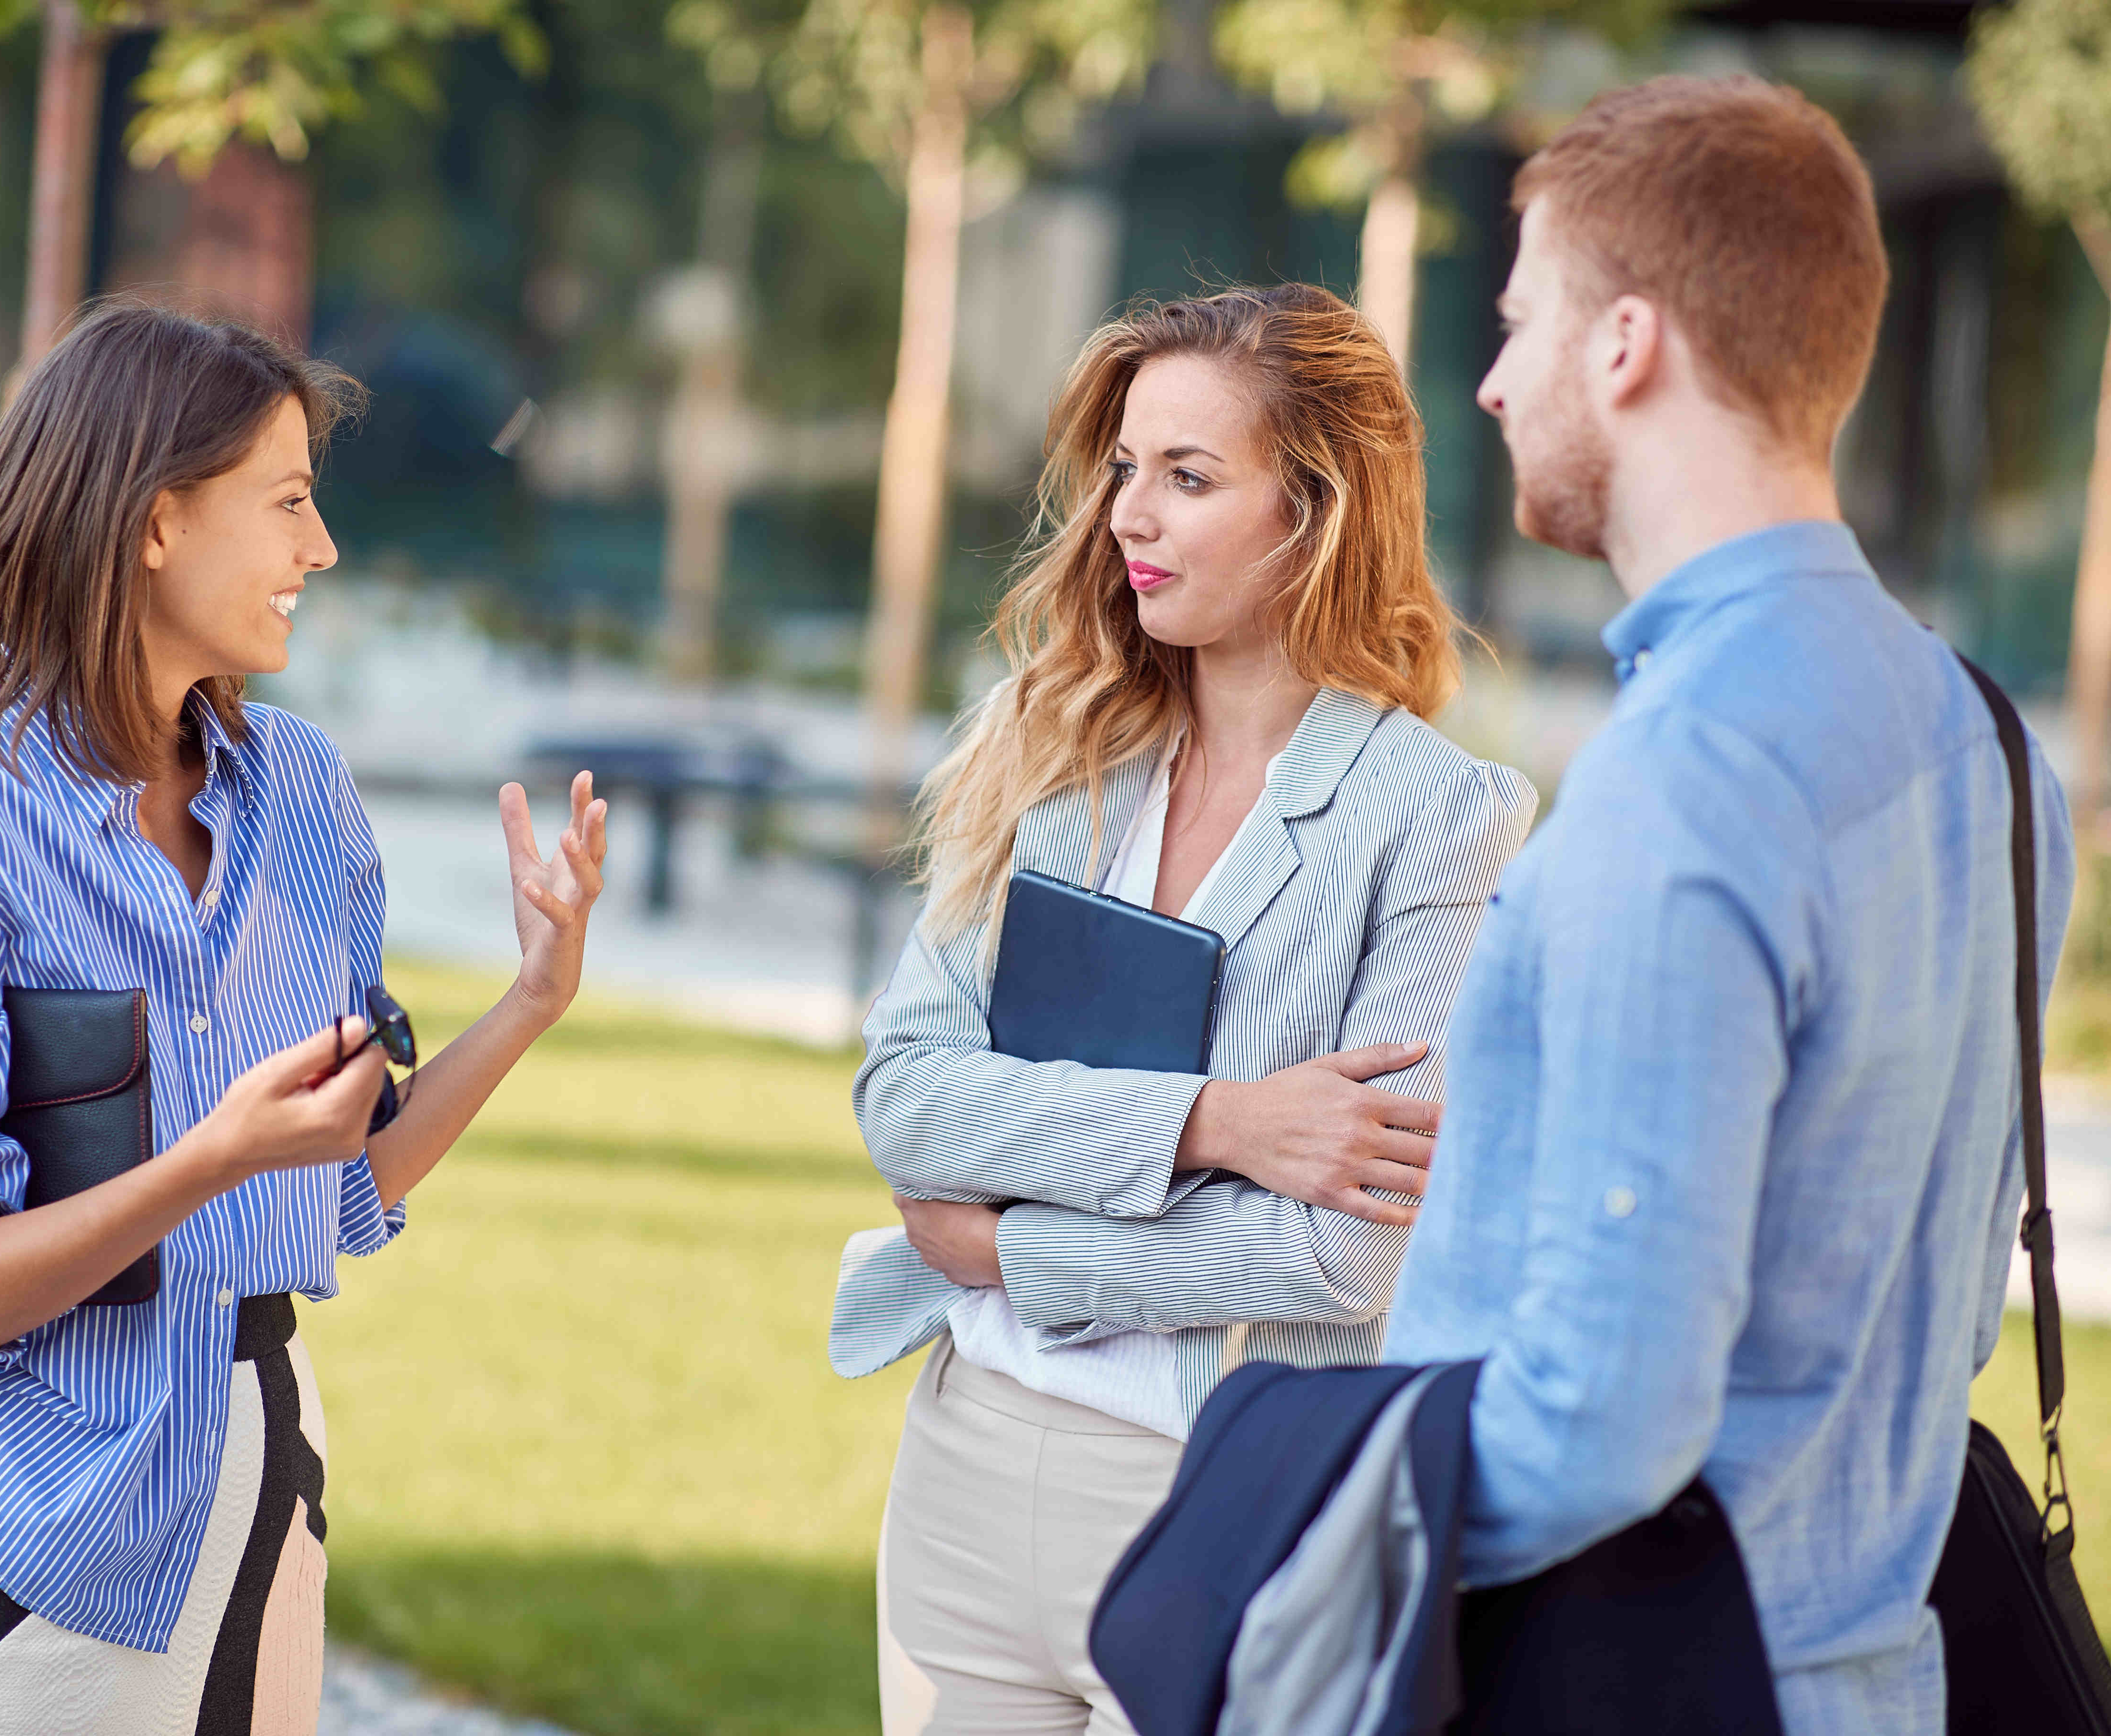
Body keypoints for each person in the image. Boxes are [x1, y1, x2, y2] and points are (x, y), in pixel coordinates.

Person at [0, 300, 610, 1733]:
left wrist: (532, 1000)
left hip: (264, 1487)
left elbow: (342, 1189)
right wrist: (206, 1160)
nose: (321, 550)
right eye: (287, 503)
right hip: (31, 1522)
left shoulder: (298, 796)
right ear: (156, 521)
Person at [1380, 75, 2077, 1736]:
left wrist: (1316, 1529)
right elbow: (1951, 1296)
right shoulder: (1986, 739)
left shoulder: (1686, 780)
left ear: (1625, 346)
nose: (1486, 378)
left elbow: (1604, 1418)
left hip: (1632, 1689)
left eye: (1519, 317)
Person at [831, 284, 1535, 1736]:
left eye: (1189, 477)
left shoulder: (1435, 818)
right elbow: (905, 1096)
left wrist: (1012, 1250)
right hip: (965, 1466)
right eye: (1124, 470)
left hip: (1214, 1498)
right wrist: (1221, 1122)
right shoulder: (1057, 738)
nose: (1126, 518)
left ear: (1318, 511)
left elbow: (1347, 1250)